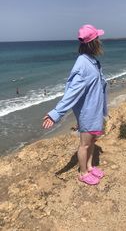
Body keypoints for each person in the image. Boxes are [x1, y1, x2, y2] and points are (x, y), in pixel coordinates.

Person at [42, 24, 107, 185]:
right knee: (84, 144)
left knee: (93, 141)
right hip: (87, 112)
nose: (100, 41)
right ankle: (83, 173)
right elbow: (71, 92)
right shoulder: (82, 65)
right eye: (98, 38)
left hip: (96, 110)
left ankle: (90, 167)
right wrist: (56, 113)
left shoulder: (93, 61)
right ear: (93, 42)